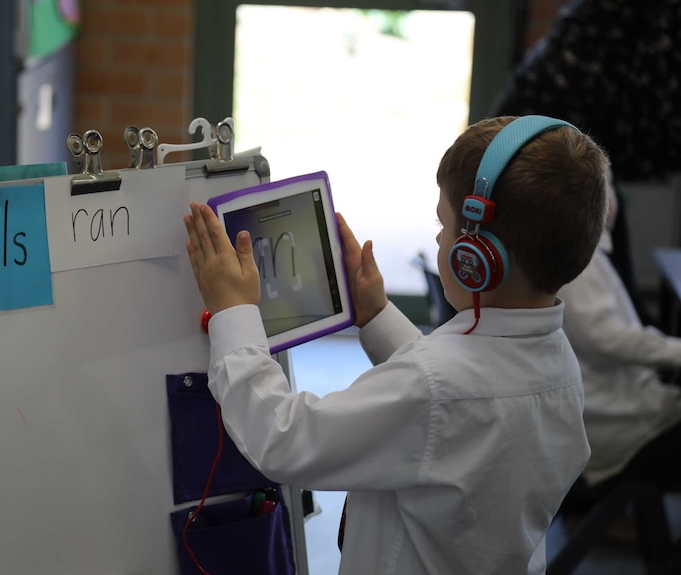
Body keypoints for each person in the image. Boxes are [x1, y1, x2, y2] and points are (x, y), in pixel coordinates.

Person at [182, 115, 608, 574]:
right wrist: (377, 316)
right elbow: (458, 405)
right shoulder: (559, 366)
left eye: (445, 225)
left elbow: (283, 439)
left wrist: (234, 313)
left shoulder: (434, 388)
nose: (442, 237)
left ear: (476, 261)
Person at [557, 171, 681, 513]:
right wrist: (674, 350)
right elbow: (605, 337)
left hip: (614, 409)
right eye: (605, 186)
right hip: (616, 424)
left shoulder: (585, 253)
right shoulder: (579, 262)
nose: (613, 198)